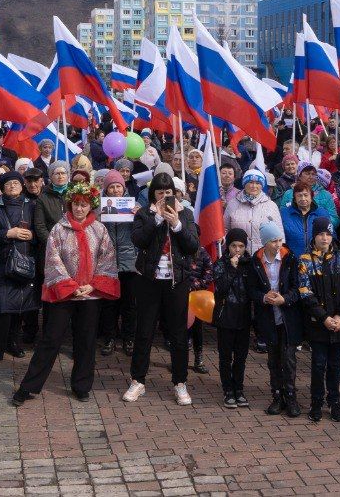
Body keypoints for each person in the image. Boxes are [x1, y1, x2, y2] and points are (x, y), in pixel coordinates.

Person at [11, 182, 119, 406]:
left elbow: (107, 257)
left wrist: (94, 285)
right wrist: (70, 285)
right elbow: (53, 260)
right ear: (70, 205)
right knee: (51, 339)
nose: (79, 209)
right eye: (76, 204)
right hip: (65, 293)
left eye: (84, 205)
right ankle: (29, 386)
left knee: (86, 340)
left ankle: (81, 385)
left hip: (90, 294)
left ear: (91, 206)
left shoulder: (99, 230)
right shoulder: (59, 229)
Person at [123, 172, 201, 407]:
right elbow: (138, 240)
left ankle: (180, 382)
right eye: (160, 193)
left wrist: (176, 223)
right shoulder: (145, 214)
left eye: (168, 193)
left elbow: (192, 245)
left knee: (178, 334)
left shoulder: (185, 214)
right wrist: (156, 220)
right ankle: (138, 380)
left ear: (174, 194)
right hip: (149, 280)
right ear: (153, 195)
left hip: (177, 282)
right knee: (144, 331)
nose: (164, 197)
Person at [296, 216, 340, 423]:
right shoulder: (305, 260)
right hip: (318, 324)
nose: (324, 238)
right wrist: (323, 317)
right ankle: (316, 402)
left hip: (339, 324)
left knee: (335, 364)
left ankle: (334, 401)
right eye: (320, 234)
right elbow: (305, 293)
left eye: (328, 234)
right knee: (318, 363)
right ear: (314, 236)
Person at [0, 171, 39, 366]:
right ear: (2, 188)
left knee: (20, 306)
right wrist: (9, 233)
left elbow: (40, 229)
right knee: (1, 307)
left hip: (25, 261)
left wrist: (33, 236)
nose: (13, 186)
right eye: (9, 184)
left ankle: (13, 343)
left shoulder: (32, 205)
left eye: (16, 183)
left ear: (22, 186)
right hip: (3, 263)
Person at [251, 220, 301, 417]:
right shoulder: (256, 261)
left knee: (288, 359)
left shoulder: (290, 259)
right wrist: (263, 297)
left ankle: (291, 397)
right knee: (273, 359)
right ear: (265, 243)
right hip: (268, 318)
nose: (278, 244)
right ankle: (277, 396)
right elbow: (251, 289)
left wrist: (285, 299)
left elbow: (299, 288)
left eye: (280, 240)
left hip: (288, 317)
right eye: (273, 241)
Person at [211, 228, 254, 410]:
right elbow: (220, 288)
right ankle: (228, 390)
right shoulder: (221, 264)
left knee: (241, 357)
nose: (238, 250)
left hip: (243, 316)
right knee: (225, 356)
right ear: (228, 246)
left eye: (241, 246)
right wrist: (231, 268)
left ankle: (239, 389)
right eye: (234, 246)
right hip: (225, 315)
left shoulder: (251, 264)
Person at [97, 170, 136, 357]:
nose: (115, 190)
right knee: (109, 304)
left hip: (129, 262)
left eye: (118, 186)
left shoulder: (134, 205)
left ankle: (129, 338)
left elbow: (142, 231)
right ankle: (109, 337)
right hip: (107, 262)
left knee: (129, 304)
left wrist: (139, 214)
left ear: (124, 188)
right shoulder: (99, 207)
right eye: (111, 187)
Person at [224, 169, 281, 254]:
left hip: (263, 257)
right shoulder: (233, 204)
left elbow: (279, 233)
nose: (254, 186)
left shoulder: (271, 205)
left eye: (258, 183)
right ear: (244, 184)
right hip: (239, 256)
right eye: (250, 182)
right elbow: (225, 229)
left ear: (262, 185)